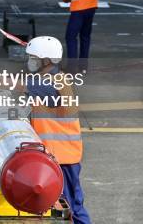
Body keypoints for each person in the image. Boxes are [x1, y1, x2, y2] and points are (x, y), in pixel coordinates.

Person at [15, 36, 91, 224]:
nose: (29, 61)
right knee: (62, 205)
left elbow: (17, 85)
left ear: (46, 60)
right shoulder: (47, 79)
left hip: (63, 158)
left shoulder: (53, 83)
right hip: (56, 156)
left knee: (70, 206)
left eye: (33, 57)